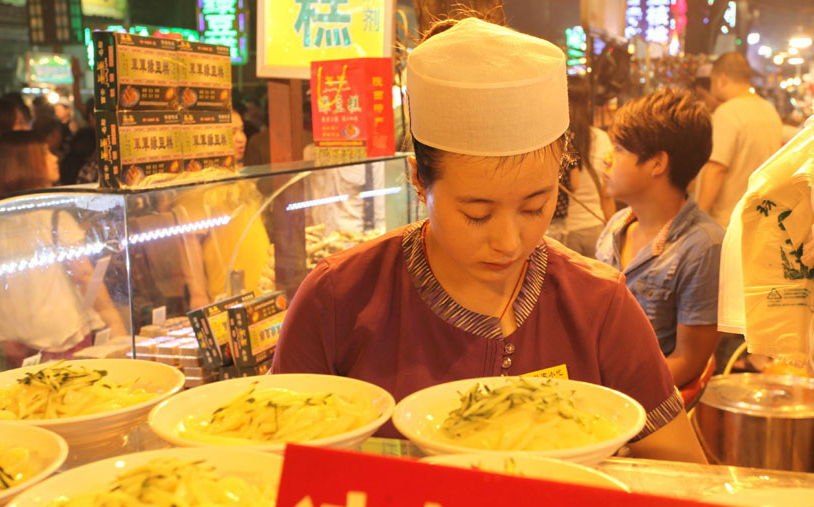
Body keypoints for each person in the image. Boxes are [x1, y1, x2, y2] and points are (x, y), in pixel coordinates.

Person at [273, 17, 706, 462]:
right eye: (477, 214)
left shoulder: (598, 305)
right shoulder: (338, 299)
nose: (509, 242)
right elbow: (274, 466)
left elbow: (687, 476)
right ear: (419, 181)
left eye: (535, 207)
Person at [596, 88, 723, 388]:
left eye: (620, 148)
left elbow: (688, 361)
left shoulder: (704, 246)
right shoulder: (616, 226)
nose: (606, 158)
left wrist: (613, 403)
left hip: (643, 404)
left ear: (657, 163)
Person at [0, 131, 126, 368]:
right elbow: (84, 275)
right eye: (46, 153)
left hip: (12, 334)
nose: (54, 157)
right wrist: (112, 317)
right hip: (60, 332)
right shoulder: (56, 219)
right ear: (28, 164)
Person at [696, 53, 782, 227]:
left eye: (712, 81)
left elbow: (716, 168)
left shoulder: (727, 112)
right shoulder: (769, 111)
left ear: (722, 80)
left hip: (727, 224)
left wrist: (697, 219)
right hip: (760, 221)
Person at [546, 75, 615, 256]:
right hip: (595, 228)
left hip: (561, 232)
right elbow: (606, 195)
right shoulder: (601, 139)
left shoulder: (554, 142)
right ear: (587, 104)